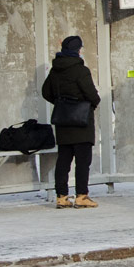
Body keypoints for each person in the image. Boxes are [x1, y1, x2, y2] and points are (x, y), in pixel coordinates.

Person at [41, 35, 101, 209]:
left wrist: (61, 102)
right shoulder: (81, 70)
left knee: (64, 159)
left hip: (63, 120)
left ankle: (61, 196)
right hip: (81, 120)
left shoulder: (55, 70)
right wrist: (93, 102)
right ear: (77, 50)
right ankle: (82, 196)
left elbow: (46, 92)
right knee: (83, 161)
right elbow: (91, 94)